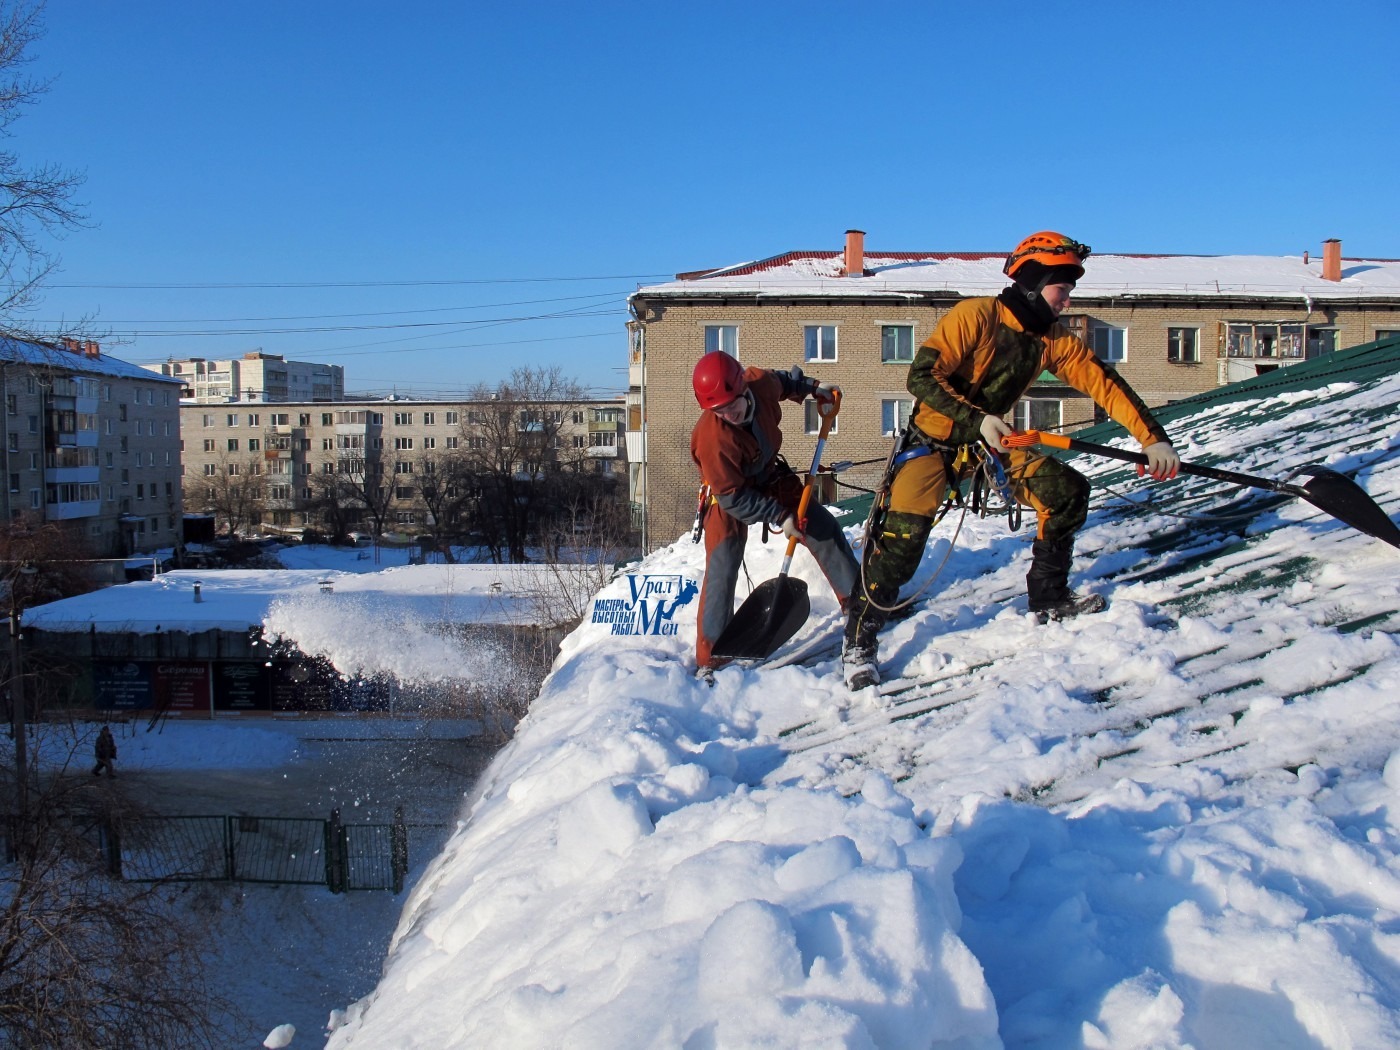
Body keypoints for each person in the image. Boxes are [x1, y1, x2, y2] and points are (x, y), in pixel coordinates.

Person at [843, 231, 1181, 690]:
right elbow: (921, 377)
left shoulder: (1052, 340)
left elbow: (1105, 385)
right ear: (1034, 282)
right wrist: (976, 417)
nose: (1067, 301)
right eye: (1062, 290)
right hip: (933, 444)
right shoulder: (976, 316)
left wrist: (1153, 439)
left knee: (1066, 492)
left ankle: (1049, 597)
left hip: (989, 446)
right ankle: (859, 639)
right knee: (901, 543)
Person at [691, 351, 861, 677]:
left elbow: (784, 381)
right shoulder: (714, 438)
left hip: (767, 476)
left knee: (817, 522)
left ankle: (855, 598)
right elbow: (732, 496)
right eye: (718, 411)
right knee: (723, 561)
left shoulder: (758, 383)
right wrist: (778, 515)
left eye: (732, 405)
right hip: (729, 493)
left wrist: (813, 388)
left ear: (743, 389)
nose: (728, 414)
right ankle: (711, 655)